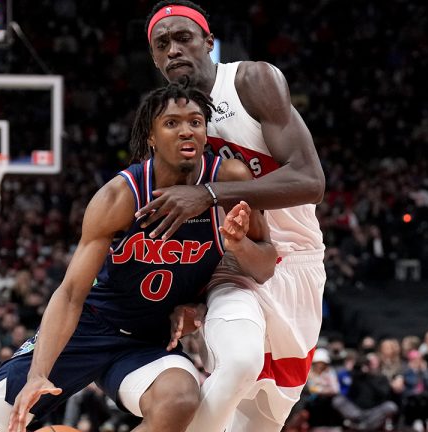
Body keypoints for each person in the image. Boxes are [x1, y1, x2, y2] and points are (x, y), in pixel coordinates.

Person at [0, 80, 277, 432]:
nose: (186, 131)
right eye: (172, 123)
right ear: (150, 137)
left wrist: (238, 245)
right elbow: (71, 293)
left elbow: (264, 266)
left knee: (181, 401)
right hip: (89, 328)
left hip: (148, 341)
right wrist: (38, 375)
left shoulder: (228, 180)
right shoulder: (122, 195)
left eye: (195, 122)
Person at [142, 2, 326, 430]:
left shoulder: (250, 81)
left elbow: (311, 181)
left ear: (209, 42)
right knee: (240, 362)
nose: (172, 51)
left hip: (297, 263)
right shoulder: (166, 122)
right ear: (153, 57)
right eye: (161, 44)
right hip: (233, 264)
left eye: (183, 38)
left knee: (259, 421)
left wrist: (209, 194)